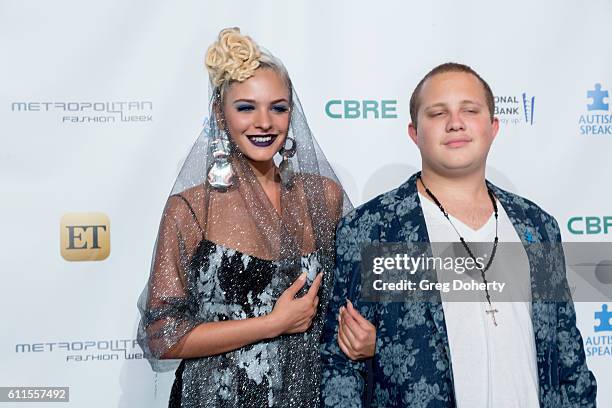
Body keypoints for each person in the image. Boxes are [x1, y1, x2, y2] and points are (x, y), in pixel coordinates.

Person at [320, 63, 597, 407]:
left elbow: (567, 355)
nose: (455, 122)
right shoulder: (375, 228)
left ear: (493, 126)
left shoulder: (537, 226)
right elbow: (341, 367)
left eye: (470, 110)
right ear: (414, 132)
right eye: (438, 113)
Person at [137, 27, 359, 407]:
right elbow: (164, 334)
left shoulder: (323, 196)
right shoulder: (191, 210)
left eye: (278, 107)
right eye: (246, 107)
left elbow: (350, 302)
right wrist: (272, 324)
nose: (264, 122)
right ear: (219, 114)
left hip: (309, 393)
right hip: (214, 396)